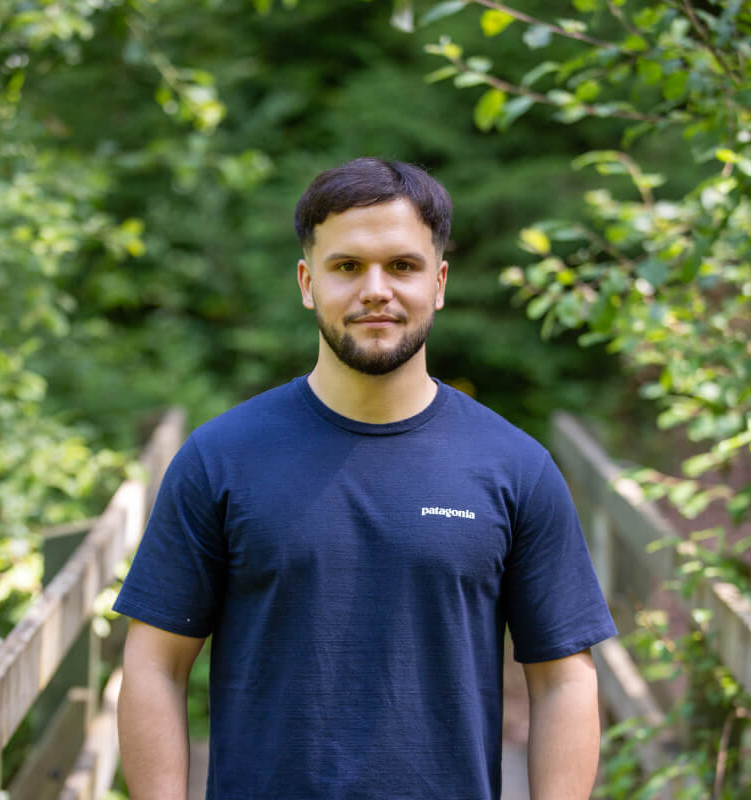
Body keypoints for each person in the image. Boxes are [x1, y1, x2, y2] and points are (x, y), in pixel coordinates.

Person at [114, 157, 617, 800]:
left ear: (438, 282)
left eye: (402, 266)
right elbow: (155, 663)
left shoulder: (514, 467)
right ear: (307, 282)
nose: (375, 289)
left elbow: (564, 680)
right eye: (347, 266)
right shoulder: (221, 458)